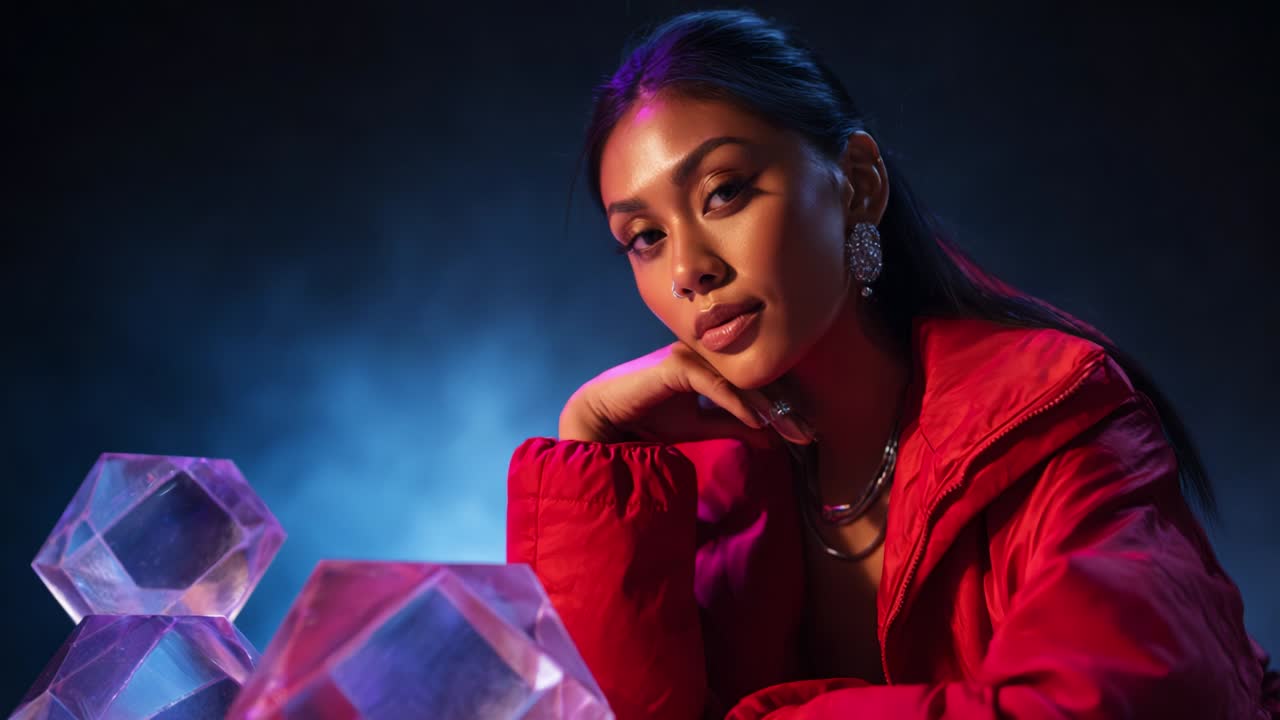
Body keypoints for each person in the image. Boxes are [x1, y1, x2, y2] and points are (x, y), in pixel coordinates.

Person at [506, 9, 1278, 719]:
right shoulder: (709, 480)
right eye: (645, 237)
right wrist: (589, 452)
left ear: (859, 184)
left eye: (725, 191)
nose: (688, 270)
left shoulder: (1058, 429)